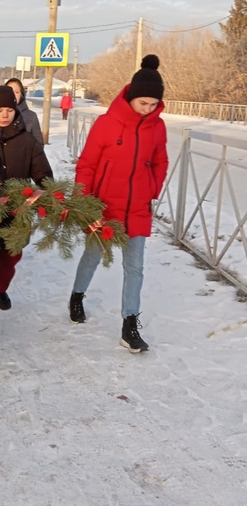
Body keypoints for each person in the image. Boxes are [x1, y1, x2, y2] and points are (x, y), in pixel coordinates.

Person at [68, 55, 169, 353]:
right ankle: (77, 295)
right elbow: (86, 165)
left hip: (137, 207)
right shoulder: (107, 123)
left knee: (135, 268)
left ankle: (129, 325)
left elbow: (160, 162)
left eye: (153, 105)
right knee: (92, 258)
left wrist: (151, 189)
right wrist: (84, 202)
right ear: (131, 97)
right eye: (143, 104)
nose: (148, 110)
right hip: (103, 207)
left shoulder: (157, 127)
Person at [0, 85, 53, 341]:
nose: (4, 115)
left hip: (18, 214)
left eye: (8, 109)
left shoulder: (27, 141)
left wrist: (49, 193)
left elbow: (44, 175)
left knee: (9, 264)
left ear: (15, 110)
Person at [5, 78, 44, 146]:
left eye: (16, 92)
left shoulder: (31, 116)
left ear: (21, 94)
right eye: (9, 91)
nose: (13, 94)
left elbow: (39, 145)